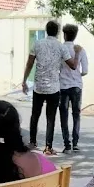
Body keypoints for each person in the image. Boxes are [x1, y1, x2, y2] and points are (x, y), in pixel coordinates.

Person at [22, 20, 71, 154]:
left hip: (39, 86)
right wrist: (76, 54)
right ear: (57, 32)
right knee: (51, 117)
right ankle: (48, 147)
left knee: (35, 115)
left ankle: (32, 142)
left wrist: (24, 80)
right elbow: (72, 65)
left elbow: (29, 63)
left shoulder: (37, 44)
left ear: (46, 30)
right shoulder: (61, 47)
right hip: (53, 88)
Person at [59, 23, 87, 153]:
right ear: (75, 35)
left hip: (63, 86)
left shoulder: (60, 49)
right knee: (76, 115)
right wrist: (77, 76)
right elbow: (85, 70)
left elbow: (56, 67)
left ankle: (67, 144)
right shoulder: (81, 49)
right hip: (76, 86)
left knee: (63, 115)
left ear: (64, 35)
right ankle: (76, 143)